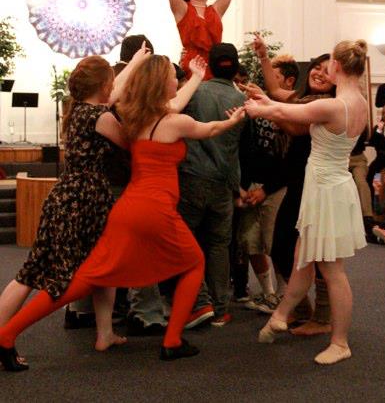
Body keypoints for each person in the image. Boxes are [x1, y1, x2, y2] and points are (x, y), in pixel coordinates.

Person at [0, 54, 245, 371]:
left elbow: (151, 103)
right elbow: (210, 129)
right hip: (152, 209)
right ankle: (171, 341)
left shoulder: (134, 117)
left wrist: (187, 77)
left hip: (126, 208)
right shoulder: (171, 121)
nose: (177, 80)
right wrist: (235, 118)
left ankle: (7, 334)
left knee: (84, 280)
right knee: (195, 263)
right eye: (173, 77)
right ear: (161, 83)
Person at [0, 49, 149, 368]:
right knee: (65, 276)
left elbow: (113, 91)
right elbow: (131, 143)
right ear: (103, 86)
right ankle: (5, 336)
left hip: (69, 197)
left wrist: (135, 62)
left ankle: (105, 333)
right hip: (84, 201)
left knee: (66, 267)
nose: (115, 86)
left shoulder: (79, 109)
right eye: (111, 81)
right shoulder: (101, 117)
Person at [245, 39, 368, 365]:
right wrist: (264, 99)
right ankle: (281, 317)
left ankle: (340, 342)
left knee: (332, 270)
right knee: (302, 258)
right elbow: (287, 104)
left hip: (326, 190)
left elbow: (285, 110)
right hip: (327, 187)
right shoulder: (360, 102)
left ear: (336, 67)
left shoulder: (335, 105)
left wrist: (259, 107)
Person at [248, 37, 335, 336]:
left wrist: (266, 108)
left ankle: (321, 317)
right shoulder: (301, 97)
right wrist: (263, 58)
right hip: (300, 182)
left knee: (316, 251)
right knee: (284, 246)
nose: (319, 73)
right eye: (317, 67)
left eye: (328, 70)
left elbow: (296, 126)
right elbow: (275, 91)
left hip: (316, 184)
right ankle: (303, 309)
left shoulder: (325, 103)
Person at [177, 43, 246, 327]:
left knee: (187, 242)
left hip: (192, 178)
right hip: (224, 184)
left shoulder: (197, 92)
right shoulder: (242, 100)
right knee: (219, 246)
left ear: (211, 65)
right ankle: (221, 308)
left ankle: (198, 302)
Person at [237, 55, 299, 314]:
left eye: (274, 75)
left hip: (278, 188)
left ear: (289, 80)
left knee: (278, 244)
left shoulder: (295, 108)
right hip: (252, 185)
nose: (268, 81)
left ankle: (289, 299)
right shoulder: (258, 104)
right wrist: (243, 187)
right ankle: (269, 294)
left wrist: (266, 189)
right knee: (250, 242)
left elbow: (291, 161)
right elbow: (245, 146)